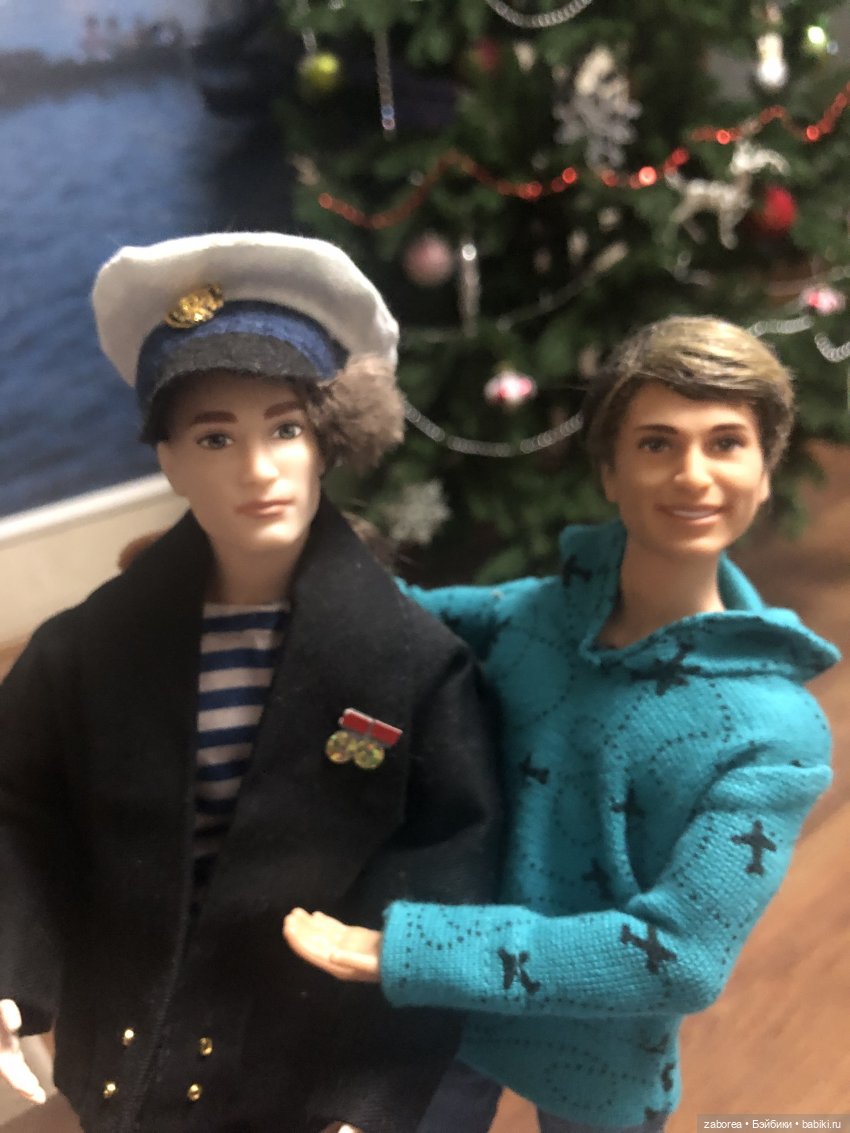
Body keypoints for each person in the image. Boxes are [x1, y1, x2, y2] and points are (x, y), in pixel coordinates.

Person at [284, 315, 840, 1130]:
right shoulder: (536, 613)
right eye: (656, 443)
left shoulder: (772, 733)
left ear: (765, 472)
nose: (693, 474)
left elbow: (681, 956)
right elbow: (390, 619)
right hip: (442, 1020)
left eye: (727, 443)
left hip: (595, 1050)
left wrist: (402, 949)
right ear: (609, 470)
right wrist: (249, 562)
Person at [0, 232, 501, 1132]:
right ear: (168, 456)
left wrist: (369, 1101)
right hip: (127, 1047)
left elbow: (440, 880)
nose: (257, 468)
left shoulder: (415, 664)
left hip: (307, 1060)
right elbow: (18, 808)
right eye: (214, 436)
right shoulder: (85, 652)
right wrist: (9, 968)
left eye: (286, 428)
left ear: (326, 443)